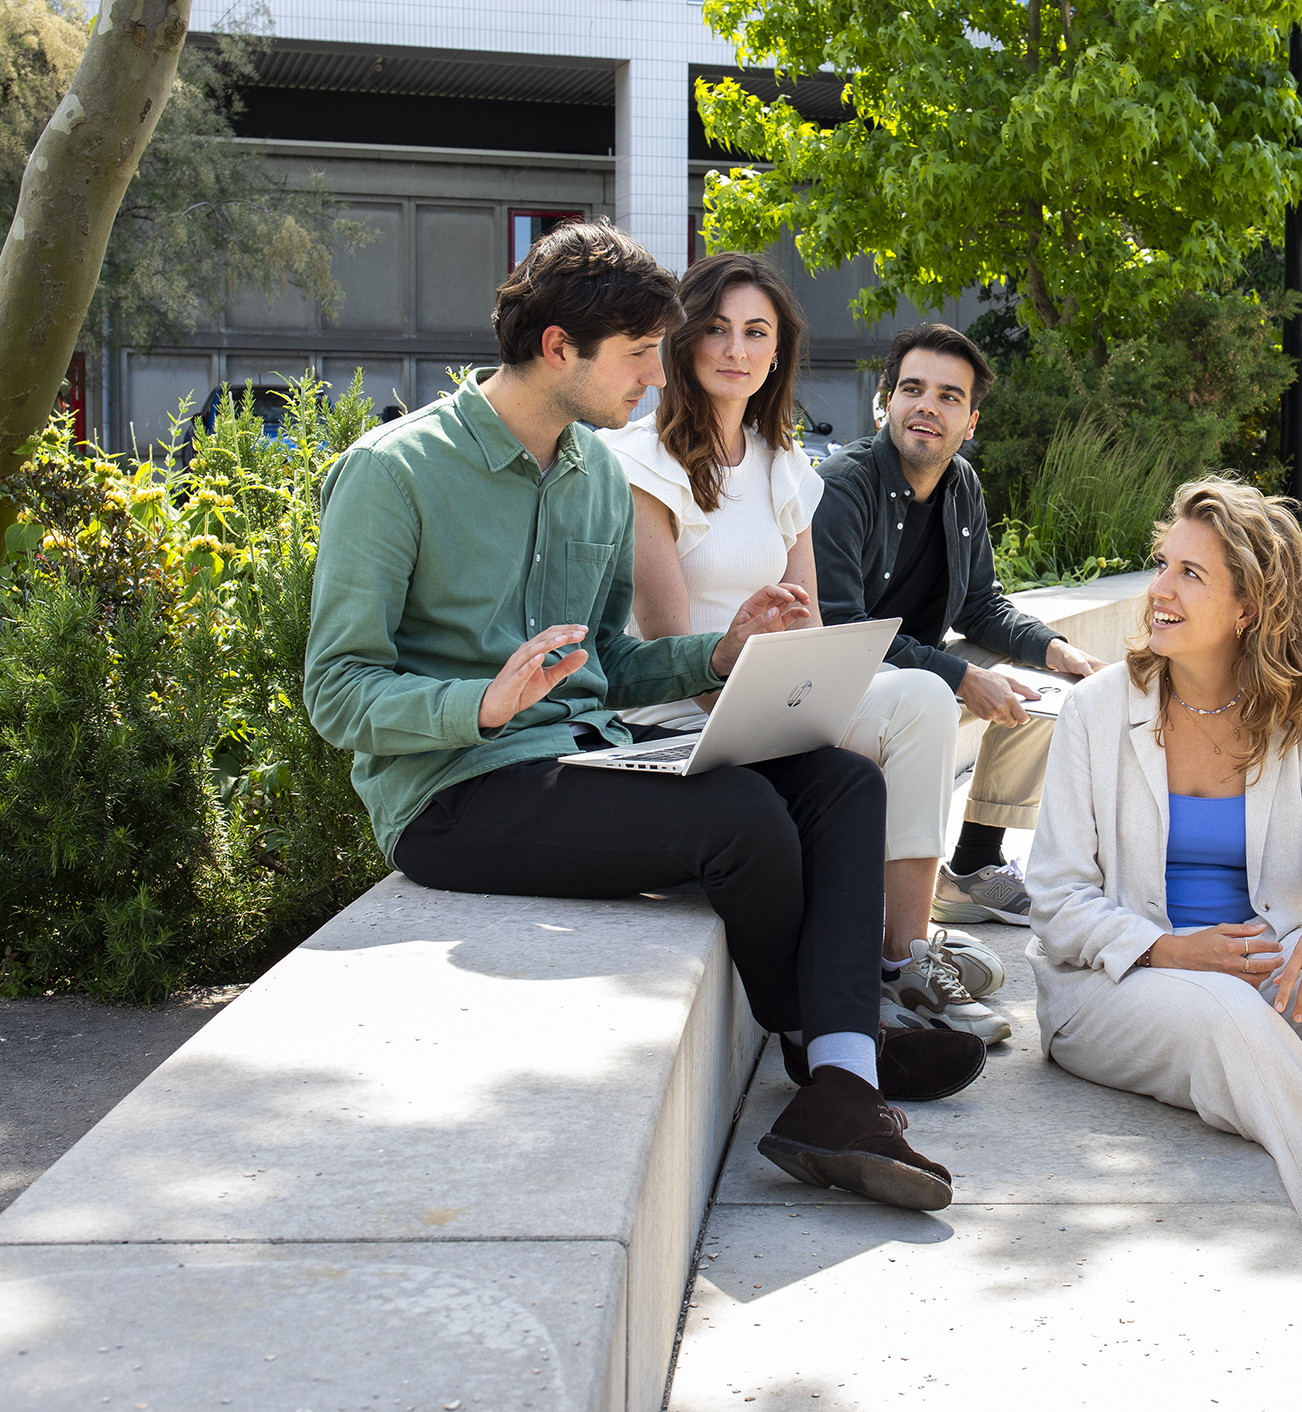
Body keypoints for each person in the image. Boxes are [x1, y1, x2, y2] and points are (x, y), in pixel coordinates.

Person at [303, 220, 980, 1214]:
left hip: (588, 757)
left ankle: (839, 1073)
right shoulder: (394, 472)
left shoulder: (592, 477)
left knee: (838, 781)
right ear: (555, 348)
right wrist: (480, 705)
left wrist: (718, 652)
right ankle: (835, 1055)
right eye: (634, 357)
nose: (656, 380)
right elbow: (338, 691)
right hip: (454, 795)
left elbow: (608, 665)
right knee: (742, 816)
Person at [1025, 477, 1302, 1381]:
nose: (1159, 591)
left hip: (1258, 981)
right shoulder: (1098, 709)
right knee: (1232, 1017)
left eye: (1190, 574)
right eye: (1161, 564)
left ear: (1249, 606)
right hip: (1114, 992)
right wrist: (1171, 948)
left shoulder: (1300, 720)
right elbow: (1051, 898)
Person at [600, 253, 1011, 1044]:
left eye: (757, 331)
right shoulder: (640, 463)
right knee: (864, 753)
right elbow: (670, 643)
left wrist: (810, 692)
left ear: (779, 350)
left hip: (776, 704)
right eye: (716, 328)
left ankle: (905, 952)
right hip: (689, 715)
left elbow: (813, 621)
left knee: (924, 698)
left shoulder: (784, 465)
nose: (736, 349)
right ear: (683, 340)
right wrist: (776, 698)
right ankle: (876, 978)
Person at [812, 325, 1104, 940]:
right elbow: (842, 629)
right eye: (913, 389)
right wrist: (961, 676)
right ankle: (905, 927)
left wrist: (1057, 650)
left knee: (1041, 689)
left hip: (916, 668)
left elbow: (980, 606)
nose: (927, 405)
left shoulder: (960, 487)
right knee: (969, 687)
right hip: (850, 680)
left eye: (949, 396)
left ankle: (973, 864)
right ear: (887, 401)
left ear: (969, 422)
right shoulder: (844, 486)